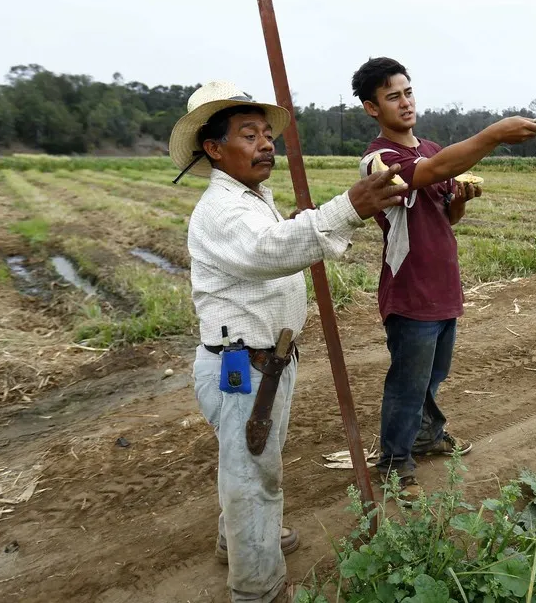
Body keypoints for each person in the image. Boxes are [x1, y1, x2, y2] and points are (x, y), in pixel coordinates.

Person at [169, 80, 406, 603]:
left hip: (264, 364)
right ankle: (259, 589)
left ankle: (239, 542)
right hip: (242, 367)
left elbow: (274, 245)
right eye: (248, 135)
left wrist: (301, 224)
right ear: (213, 149)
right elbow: (264, 252)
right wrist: (347, 208)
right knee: (253, 475)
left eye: (266, 135)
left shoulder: (251, 199)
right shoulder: (222, 210)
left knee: (249, 460)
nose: (265, 144)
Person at [351, 57, 536, 494]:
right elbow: (430, 175)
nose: (405, 102)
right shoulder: (378, 160)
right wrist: (494, 134)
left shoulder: (431, 147)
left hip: (443, 286)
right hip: (411, 291)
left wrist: (461, 198)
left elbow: (445, 212)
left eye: (407, 92)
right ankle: (394, 461)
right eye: (392, 97)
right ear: (371, 108)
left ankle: (425, 436)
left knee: (432, 375)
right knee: (408, 380)